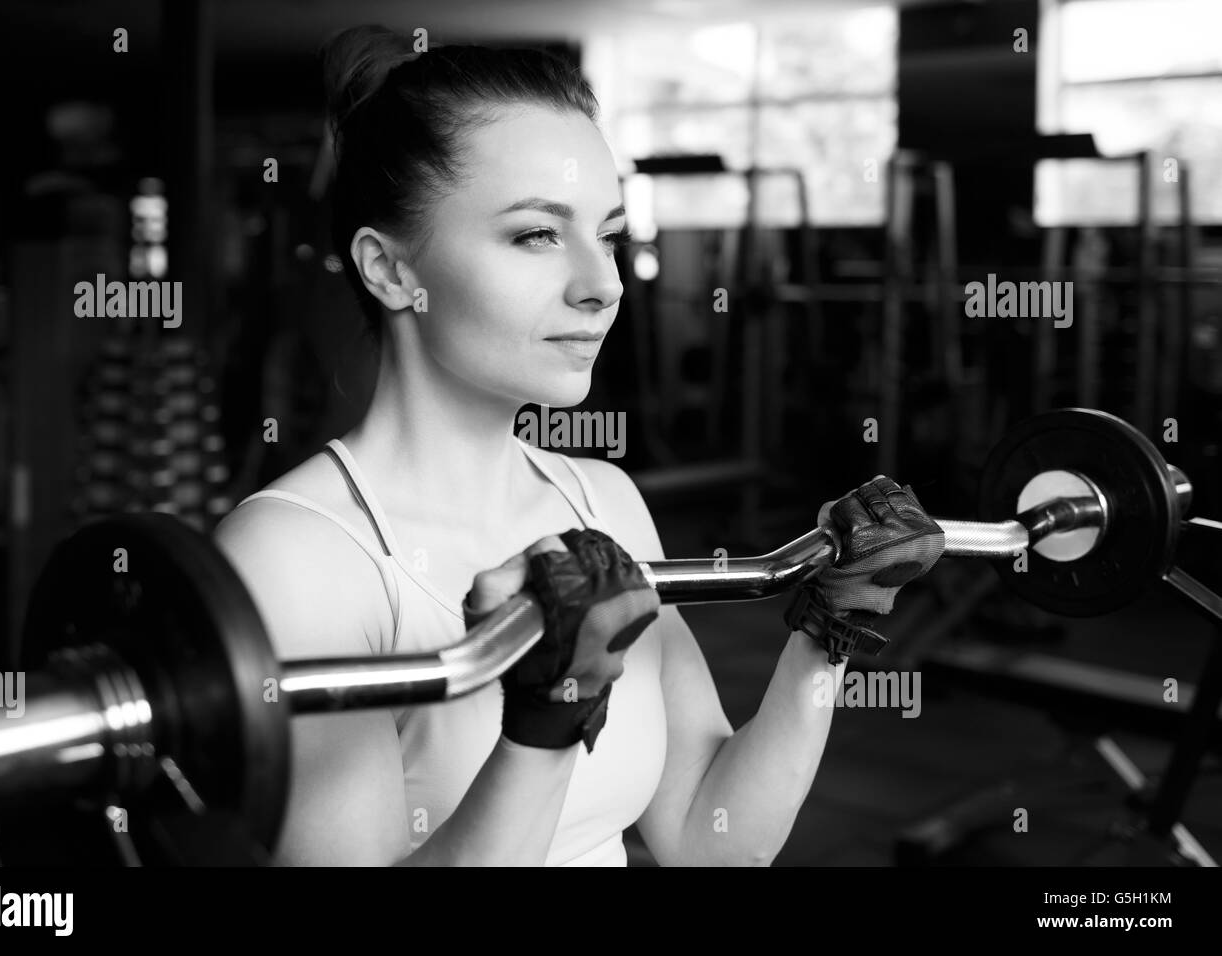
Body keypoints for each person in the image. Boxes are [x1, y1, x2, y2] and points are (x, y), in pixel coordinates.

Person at [213, 24, 945, 866]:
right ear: (389, 271)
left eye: (607, 234)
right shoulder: (297, 556)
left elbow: (715, 839)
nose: (601, 286)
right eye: (535, 234)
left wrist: (833, 630)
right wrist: (547, 724)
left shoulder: (602, 502)